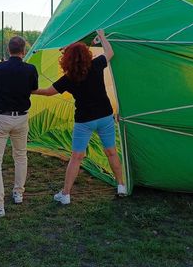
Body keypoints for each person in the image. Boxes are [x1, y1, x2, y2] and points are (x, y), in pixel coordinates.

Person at [33, 29, 126, 204]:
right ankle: (121, 185)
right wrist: (102, 36)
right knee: (111, 152)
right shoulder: (97, 65)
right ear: (86, 54)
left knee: (76, 157)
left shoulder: (69, 78)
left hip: (84, 121)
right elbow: (110, 52)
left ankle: (66, 194)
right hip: (105, 116)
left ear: (66, 59)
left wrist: (30, 90)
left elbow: (47, 92)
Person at [0, 36, 38, 216]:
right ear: (23, 50)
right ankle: (18, 193)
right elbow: (33, 89)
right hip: (21, 118)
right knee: (21, 156)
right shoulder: (30, 69)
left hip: (1, 118)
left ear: (8, 49)